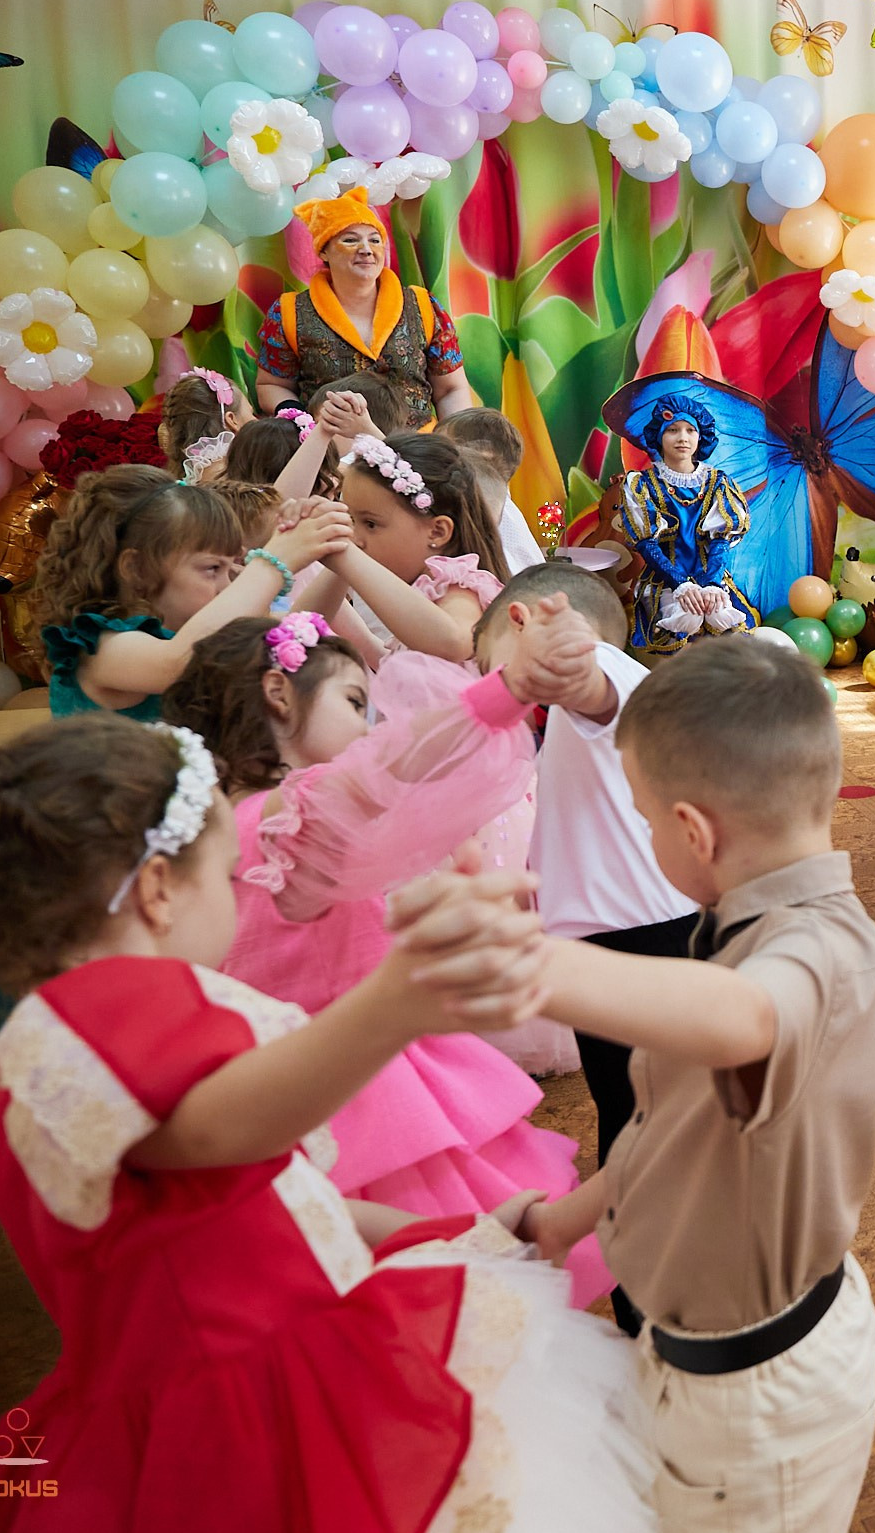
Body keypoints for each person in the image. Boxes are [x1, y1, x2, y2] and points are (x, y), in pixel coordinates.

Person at [0, 717, 670, 1533]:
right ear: (159, 890)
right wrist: (396, 999)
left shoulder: (48, 1045)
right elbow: (224, 1126)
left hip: (181, 1403)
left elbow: (252, 1193)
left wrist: (479, 1229)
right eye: (226, 878)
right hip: (240, 1427)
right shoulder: (98, 1020)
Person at [515, 636, 875, 1533]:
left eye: (643, 821)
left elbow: (746, 1019)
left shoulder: (826, 954)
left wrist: (522, 965)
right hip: (704, 1363)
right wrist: (568, 1217)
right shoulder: (731, 927)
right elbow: (672, 1123)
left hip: (754, 1405)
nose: (647, 839)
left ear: (694, 831)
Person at [161, 608, 607, 1305]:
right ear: (279, 695)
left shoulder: (215, 828)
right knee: (444, 1299)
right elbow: (399, 761)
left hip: (280, 1083)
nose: (371, 726)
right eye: (355, 701)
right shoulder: (288, 820)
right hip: (364, 1101)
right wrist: (506, 687)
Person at [480, 563, 697, 1330]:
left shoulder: (603, 676)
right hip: (622, 939)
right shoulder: (588, 692)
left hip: (642, 941)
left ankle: (657, 1301)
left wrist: (564, 652)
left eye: (491, 667)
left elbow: (592, 686)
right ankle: (651, 1290)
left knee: (645, 1123)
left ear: (525, 627)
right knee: (635, 1116)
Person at [34, 466, 351, 719]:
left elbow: (300, 624)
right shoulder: (101, 648)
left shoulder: (195, 630)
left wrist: (338, 547)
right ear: (136, 568)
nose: (227, 586)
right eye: (212, 568)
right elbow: (172, 665)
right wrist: (273, 561)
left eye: (231, 569)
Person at [255, 188, 473, 426]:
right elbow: (272, 385)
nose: (366, 249)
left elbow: (451, 389)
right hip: (333, 453)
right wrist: (301, 420)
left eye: (375, 240)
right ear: (324, 251)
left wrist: (454, 446)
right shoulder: (289, 312)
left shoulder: (423, 307)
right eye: (350, 240)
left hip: (416, 451)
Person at [296, 430, 512, 664]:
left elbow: (455, 642)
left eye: (370, 523)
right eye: (350, 520)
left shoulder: (459, 584)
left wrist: (348, 557)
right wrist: (338, 554)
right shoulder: (407, 580)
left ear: (437, 532)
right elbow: (300, 625)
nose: (355, 537)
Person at [611, 378, 765, 656]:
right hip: (665, 579)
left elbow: (719, 542)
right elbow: (648, 545)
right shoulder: (642, 484)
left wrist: (710, 585)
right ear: (659, 436)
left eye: (690, 430)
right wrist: (681, 586)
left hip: (710, 577)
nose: (682, 437)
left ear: (700, 437)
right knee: (687, 619)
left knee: (720, 617)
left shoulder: (717, 482)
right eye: (672, 429)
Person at [441, 406, 545, 576]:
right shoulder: (501, 496)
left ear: (483, 453)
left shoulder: (483, 499)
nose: (436, 455)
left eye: (444, 448)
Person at [156, 367, 244, 481]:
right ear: (232, 420)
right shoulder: (225, 475)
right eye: (251, 414)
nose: (256, 420)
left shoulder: (192, 471)